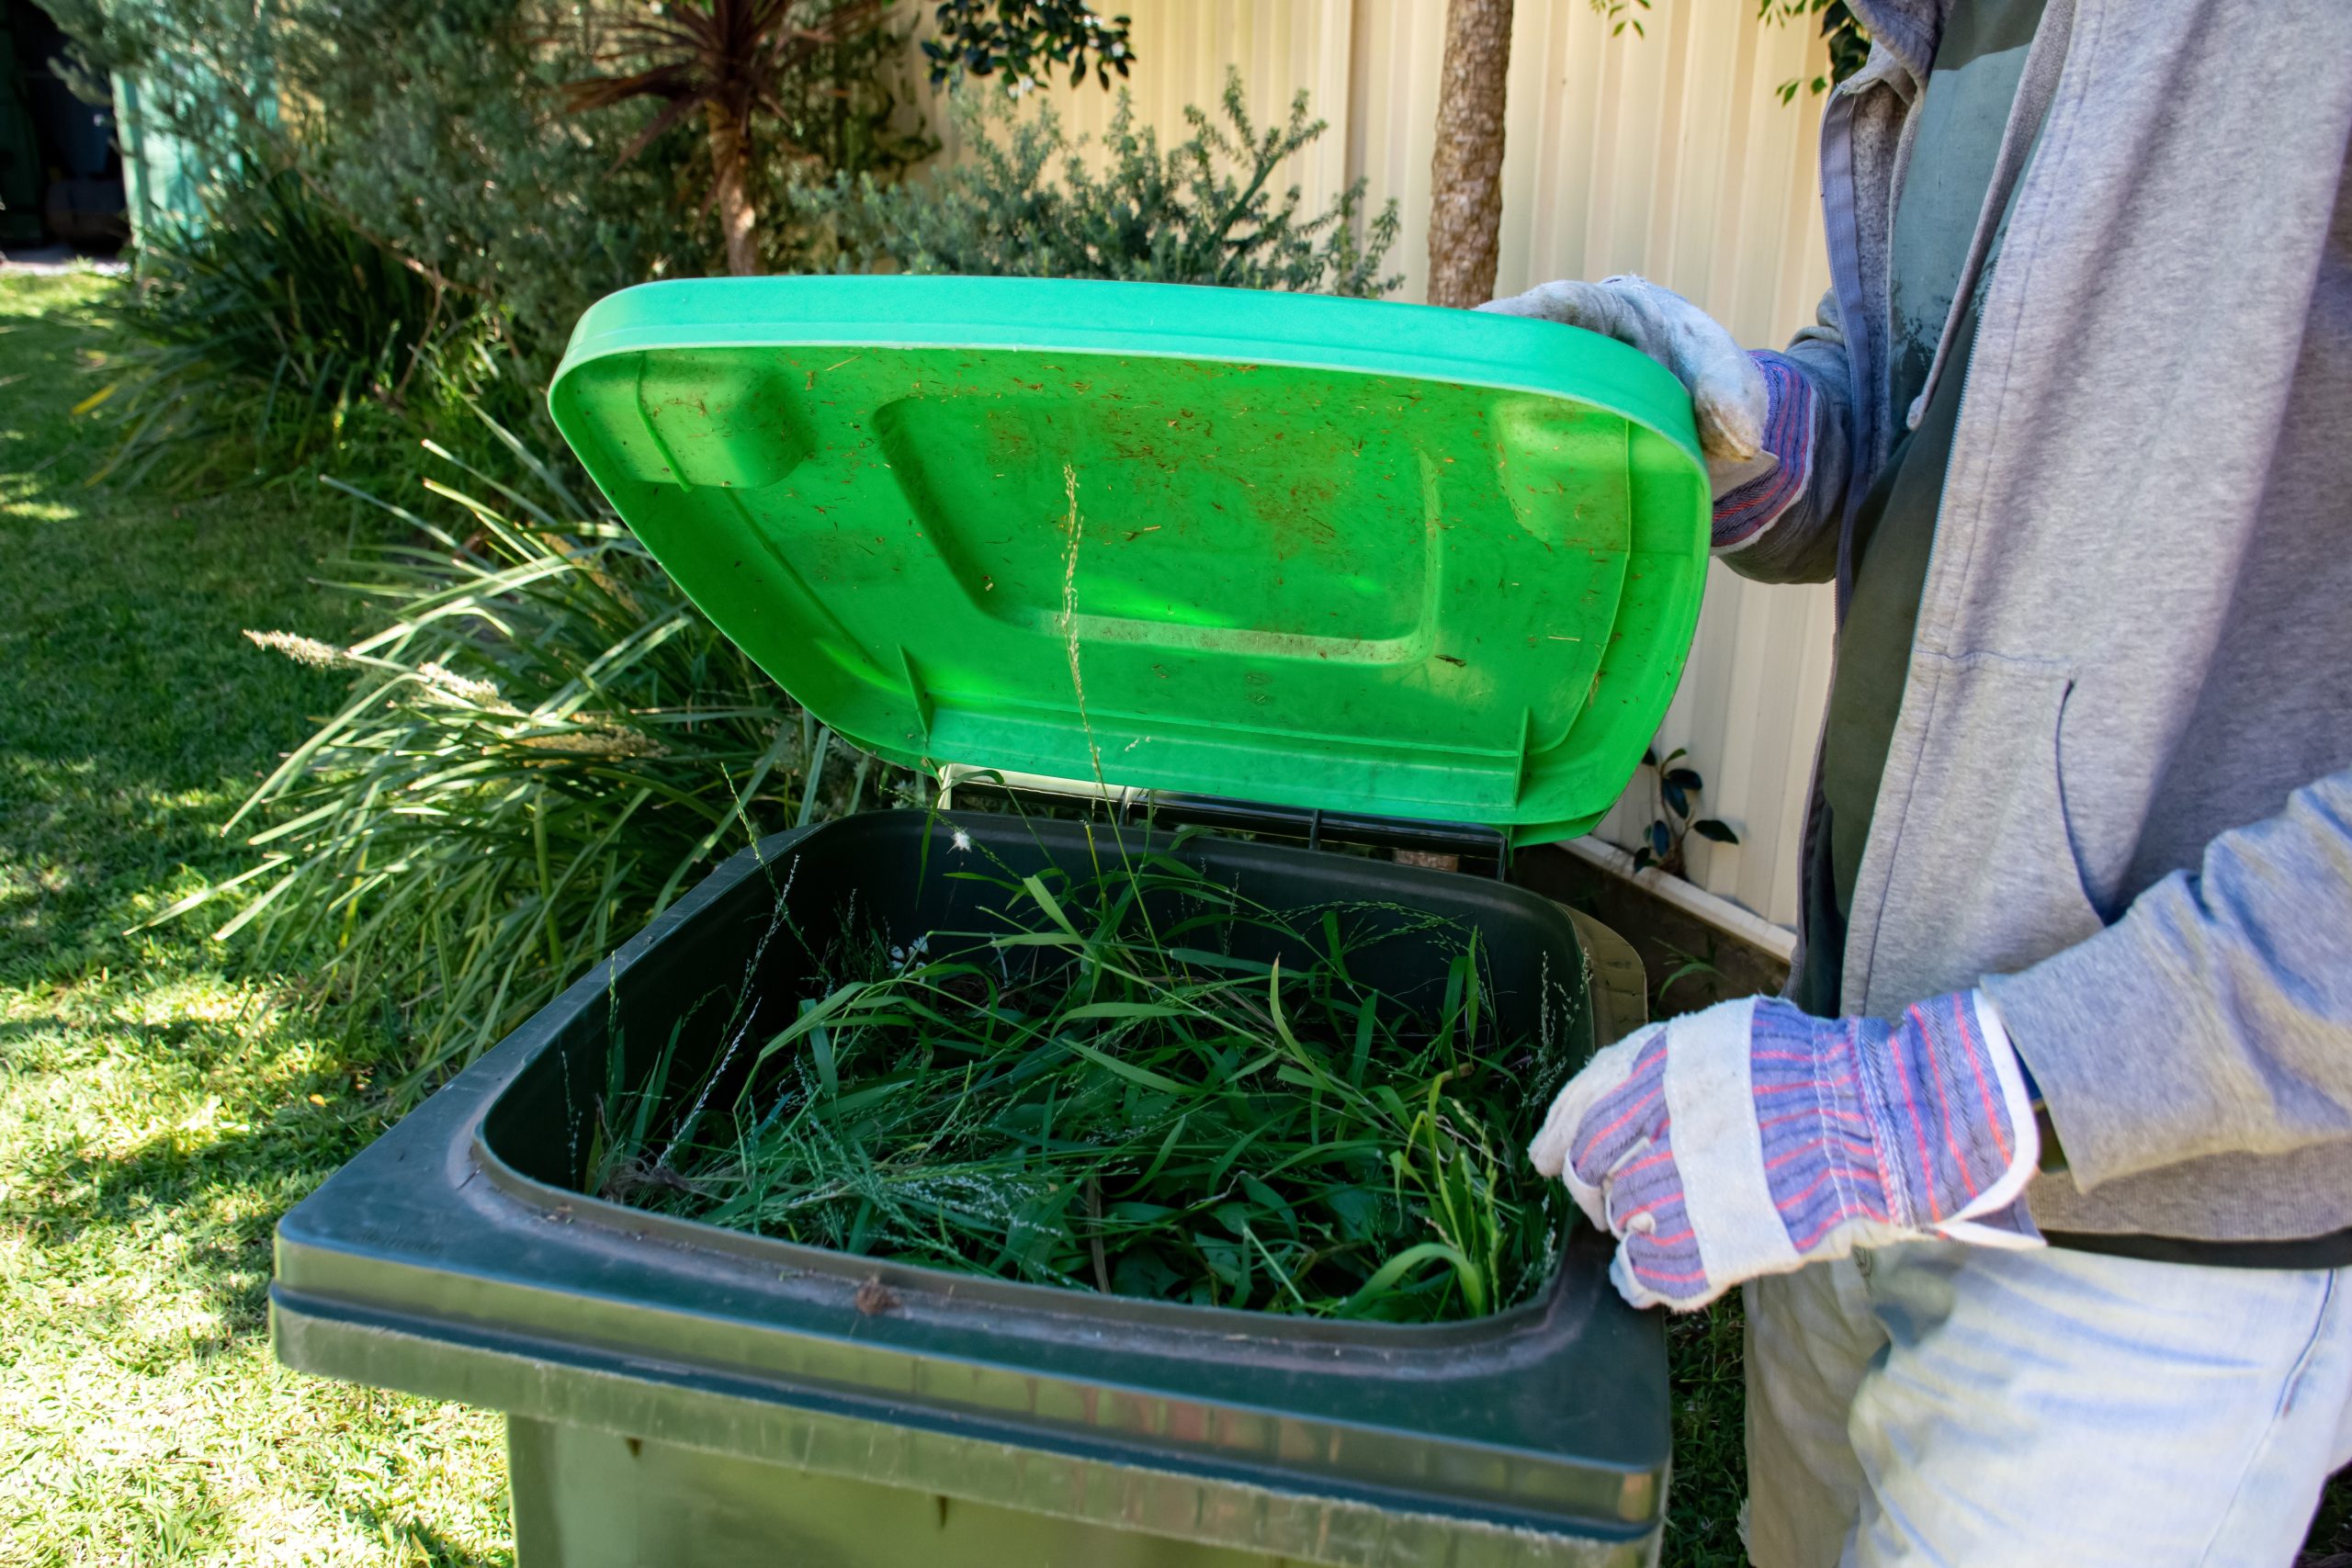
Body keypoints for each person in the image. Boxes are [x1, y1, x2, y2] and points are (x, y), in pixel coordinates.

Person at [1485, 2, 2352, 1562]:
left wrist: (1968, 1098)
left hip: (2147, 1225)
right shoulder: (1958, 23)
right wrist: (1776, 435)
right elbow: (1961, 396)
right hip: (1843, 1085)